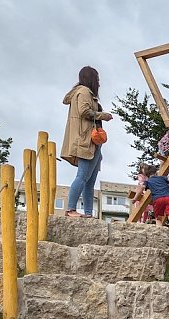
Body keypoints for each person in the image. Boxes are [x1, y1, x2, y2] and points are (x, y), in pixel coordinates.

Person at [61, 66, 113, 218]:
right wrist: (103, 115)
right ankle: (70, 209)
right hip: (84, 140)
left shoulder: (85, 93)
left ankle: (89, 213)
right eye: (97, 79)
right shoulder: (83, 91)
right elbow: (84, 111)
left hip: (93, 142)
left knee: (90, 181)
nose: (98, 83)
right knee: (82, 176)